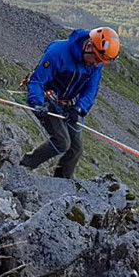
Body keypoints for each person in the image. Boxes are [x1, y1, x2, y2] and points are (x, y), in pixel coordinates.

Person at [19, 27, 120, 179]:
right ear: (89, 46)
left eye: (101, 62)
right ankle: (23, 165)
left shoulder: (94, 64)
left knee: (76, 149)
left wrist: (78, 108)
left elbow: (90, 91)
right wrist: (37, 103)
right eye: (97, 59)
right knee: (62, 142)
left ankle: (63, 181)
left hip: (68, 104)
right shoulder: (58, 52)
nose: (97, 64)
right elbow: (37, 81)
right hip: (47, 99)